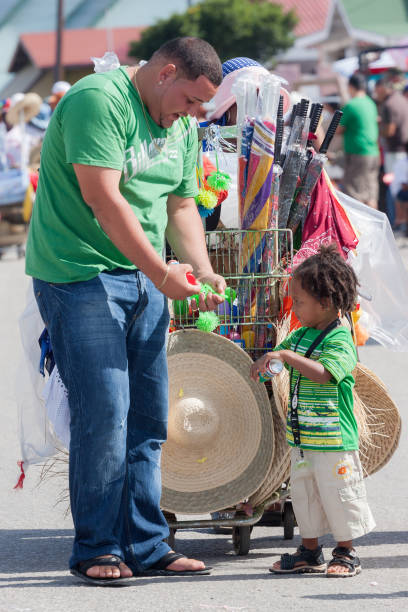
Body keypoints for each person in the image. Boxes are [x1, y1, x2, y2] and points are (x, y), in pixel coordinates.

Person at [25, 36, 225, 585]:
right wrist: (164, 273)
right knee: (105, 415)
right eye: (190, 100)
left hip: (143, 276)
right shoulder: (99, 99)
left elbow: (181, 203)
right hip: (78, 273)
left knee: (147, 417)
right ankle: (97, 547)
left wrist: (200, 269)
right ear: (165, 73)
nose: (193, 114)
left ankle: (146, 541)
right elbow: (104, 200)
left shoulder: (179, 123)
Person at [251, 245, 375, 577]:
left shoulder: (340, 339)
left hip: (334, 439)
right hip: (303, 435)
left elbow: (323, 373)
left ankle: (346, 552)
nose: (296, 308)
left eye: (300, 302)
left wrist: (288, 358)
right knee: (304, 494)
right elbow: (279, 359)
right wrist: (268, 365)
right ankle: (309, 550)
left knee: (339, 494)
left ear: (326, 303)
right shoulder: (300, 335)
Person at [338, 73, 380, 208]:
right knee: (371, 193)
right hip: (373, 152)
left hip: (357, 152)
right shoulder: (370, 103)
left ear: (351, 87)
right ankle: (374, 227)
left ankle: (359, 228)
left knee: (354, 193)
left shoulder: (351, 105)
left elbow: (339, 129)